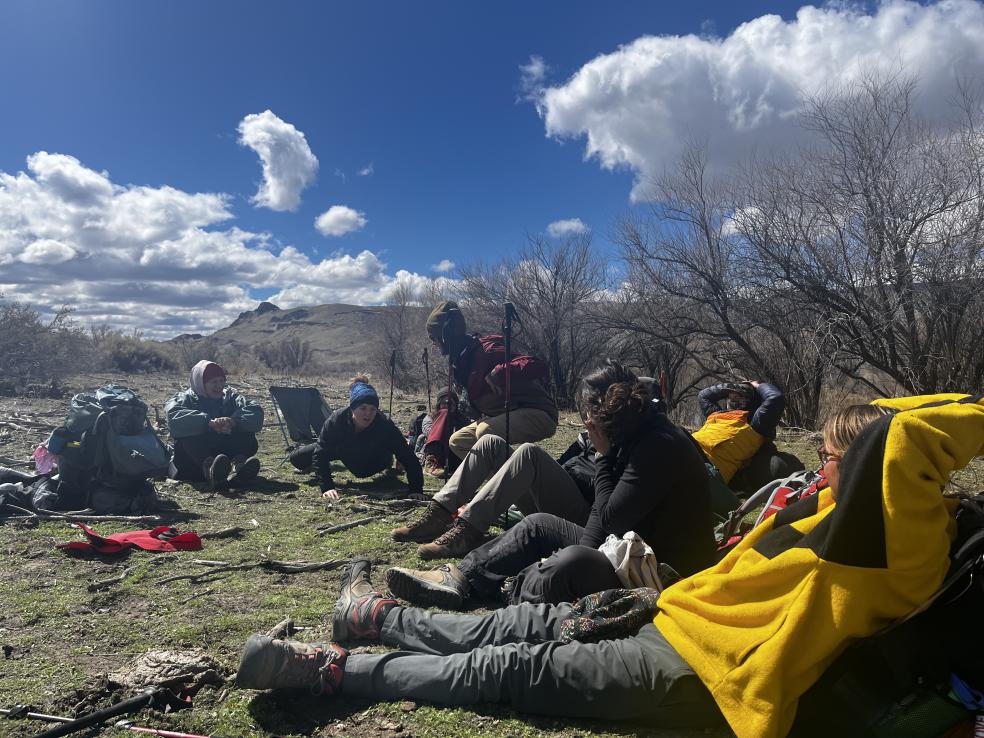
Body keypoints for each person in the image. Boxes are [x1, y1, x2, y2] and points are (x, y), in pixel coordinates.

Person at [236, 393, 984, 738]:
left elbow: (905, 439)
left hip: (704, 677)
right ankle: (374, 617)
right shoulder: (822, 516)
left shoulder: (894, 547)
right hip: (669, 617)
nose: (815, 470)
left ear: (861, 473)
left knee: (509, 673)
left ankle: (329, 671)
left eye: (828, 459)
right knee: (518, 624)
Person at [386, 361, 716, 607]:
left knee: (537, 526)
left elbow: (611, 518)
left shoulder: (654, 445)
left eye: (591, 412)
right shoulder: (636, 432)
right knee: (495, 449)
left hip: (653, 565)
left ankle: (463, 578)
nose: (587, 421)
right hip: (626, 541)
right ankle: (444, 522)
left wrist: (602, 457)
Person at [390, 426, 598, 560]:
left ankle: (467, 533)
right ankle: (437, 516)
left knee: (529, 453)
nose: (588, 418)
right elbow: (562, 464)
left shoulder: (621, 446)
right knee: (490, 442)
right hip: (554, 499)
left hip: (581, 521)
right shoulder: (588, 437)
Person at [425, 300, 558, 460]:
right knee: (458, 441)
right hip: (505, 416)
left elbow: (539, 366)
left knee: (485, 432)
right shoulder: (460, 362)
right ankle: (508, 479)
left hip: (540, 414)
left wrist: (502, 371)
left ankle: (522, 477)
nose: (434, 343)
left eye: (434, 337)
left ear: (445, 335)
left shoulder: (485, 351)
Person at [313, 374, 424, 501]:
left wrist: (416, 489)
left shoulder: (384, 425)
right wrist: (327, 487)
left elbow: (408, 456)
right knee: (299, 458)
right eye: (363, 408)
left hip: (374, 460)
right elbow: (320, 453)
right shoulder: (337, 420)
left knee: (363, 469)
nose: (368, 414)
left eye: (373, 409)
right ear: (352, 408)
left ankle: (388, 461)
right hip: (344, 451)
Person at [165, 360, 264, 490]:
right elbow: (174, 416)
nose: (219, 386)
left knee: (244, 427)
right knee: (189, 433)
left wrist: (233, 421)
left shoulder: (231, 398)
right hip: (193, 465)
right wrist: (208, 423)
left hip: (224, 460)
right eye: (214, 382)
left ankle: (238, 468)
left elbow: (255, 411)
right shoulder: (184, 399)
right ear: (201, 383)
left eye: (221, 381)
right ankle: (210, 470)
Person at [692, 380, 787, 487]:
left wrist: (757, 385)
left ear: (750, 401)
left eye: (740, 396)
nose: (733, 399)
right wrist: (730, 387)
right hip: (687, 448)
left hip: (707, 467)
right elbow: (703, 395)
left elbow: (776, 398)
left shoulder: (756, 421)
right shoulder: (716, 414)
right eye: (731, 396)